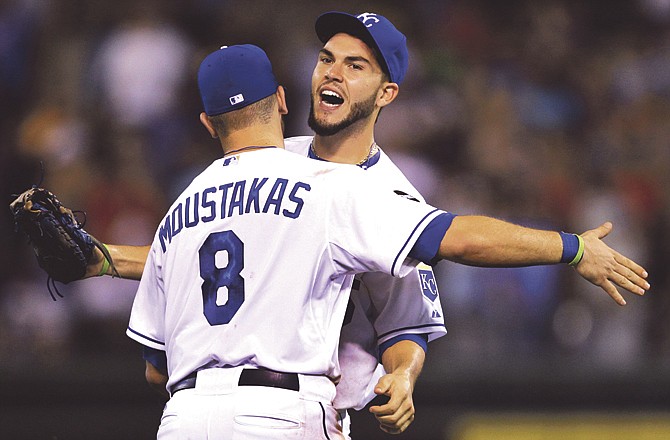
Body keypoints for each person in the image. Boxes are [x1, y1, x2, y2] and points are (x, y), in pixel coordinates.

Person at [126, 43, 648, 440]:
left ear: (205, 122)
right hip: (281, 413)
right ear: (282, 100)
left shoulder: (179, 211)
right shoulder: (325, 186)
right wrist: (570, 248)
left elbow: (156, 368)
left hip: (183, 419)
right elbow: (458, 237)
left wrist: (106, 260)